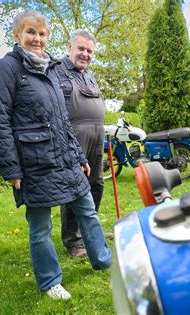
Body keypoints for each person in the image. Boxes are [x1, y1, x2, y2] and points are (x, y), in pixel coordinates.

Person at [0, 10, 111, 300]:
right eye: (31, 32)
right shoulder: (7, 68)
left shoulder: (50, 68)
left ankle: (103, 260)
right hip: (34, 161)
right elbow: (0, 119)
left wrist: (79, 157)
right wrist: (12, 169)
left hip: (66, 157)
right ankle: (50, 281)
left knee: (87, 209)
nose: (37, 39)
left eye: (42, 34)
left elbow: (62, 119)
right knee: (40, 226)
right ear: (18, 35)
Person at [54, 29, 111, 258]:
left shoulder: (89, 75)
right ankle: (73, 242)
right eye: (81, 49)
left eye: (89, 51)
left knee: (96, 184)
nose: (85, 54)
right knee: (74, 188)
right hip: (73, 138)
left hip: (97, 137)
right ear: (70, 48)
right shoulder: (57, 71)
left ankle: (90, 230)